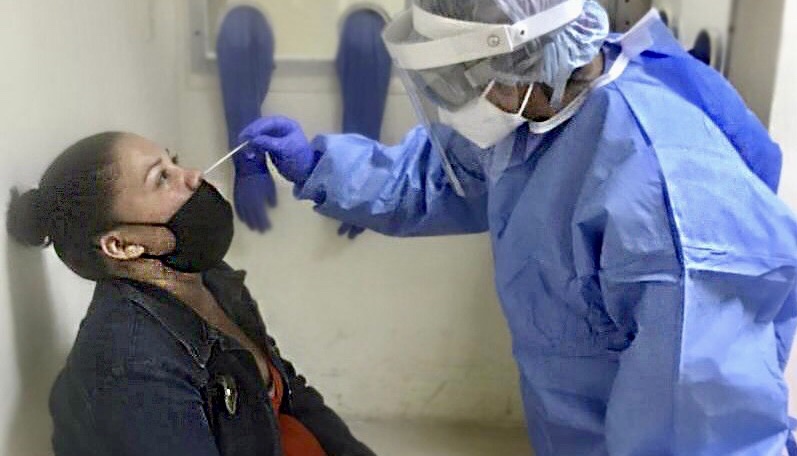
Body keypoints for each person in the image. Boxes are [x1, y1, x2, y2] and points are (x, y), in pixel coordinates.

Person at [236, 0, 797, 454]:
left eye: (465, 78)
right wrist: (318, 166)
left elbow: (696, 424)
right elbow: (441, 176)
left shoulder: (666, 199)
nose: (459, 98)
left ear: (523, 56)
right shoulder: (539, 108)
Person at [5, 132, 375, 456]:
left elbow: (290, 391)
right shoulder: (132, 367)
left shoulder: (208, 277)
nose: (194, 175)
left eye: (174, 161)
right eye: (162, 177)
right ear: (121, 245)